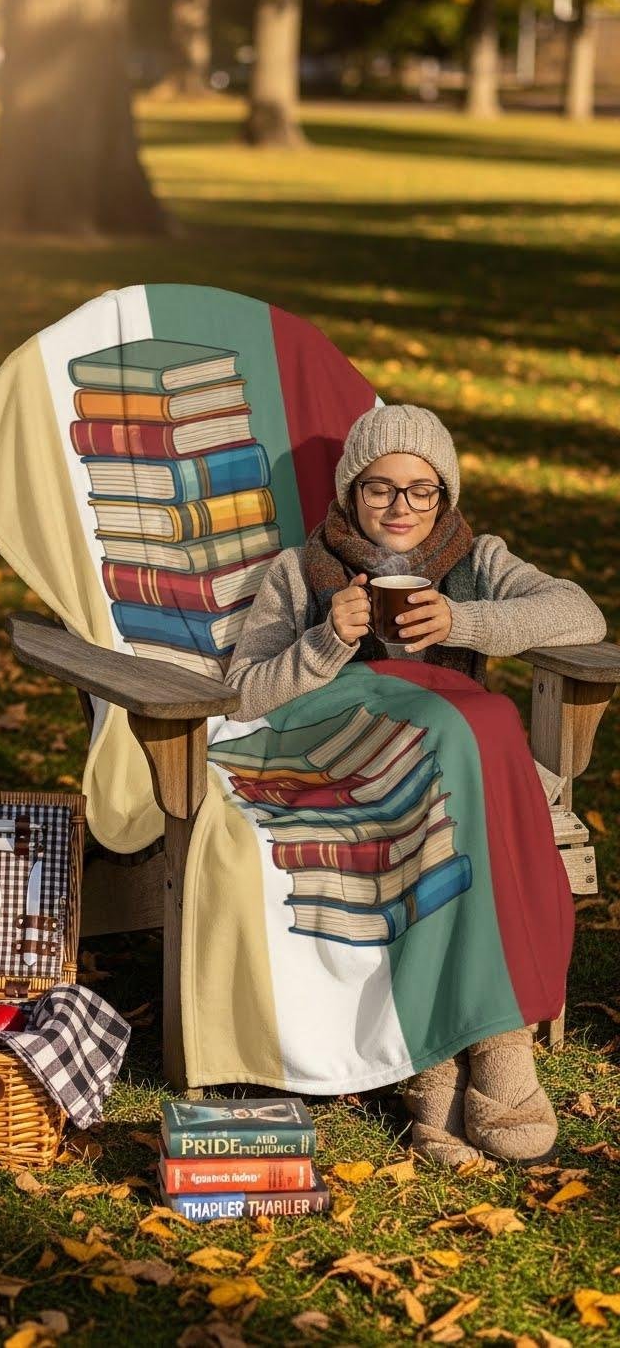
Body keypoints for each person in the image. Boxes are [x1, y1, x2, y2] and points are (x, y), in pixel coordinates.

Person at [224, 403, 607, 1167]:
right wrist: (326, 640)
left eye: (421, 489)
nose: (401, 506)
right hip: (346, 752)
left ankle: (457, 1060)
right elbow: (245, 691)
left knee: (476, 728)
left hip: (445, 759)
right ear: (350, 492)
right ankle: (488, 1049)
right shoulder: (302, 571)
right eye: (380, 488)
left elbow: (582, 613)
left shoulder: (474, 559)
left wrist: (463, 622)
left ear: (445, 495)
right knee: (484, 723)